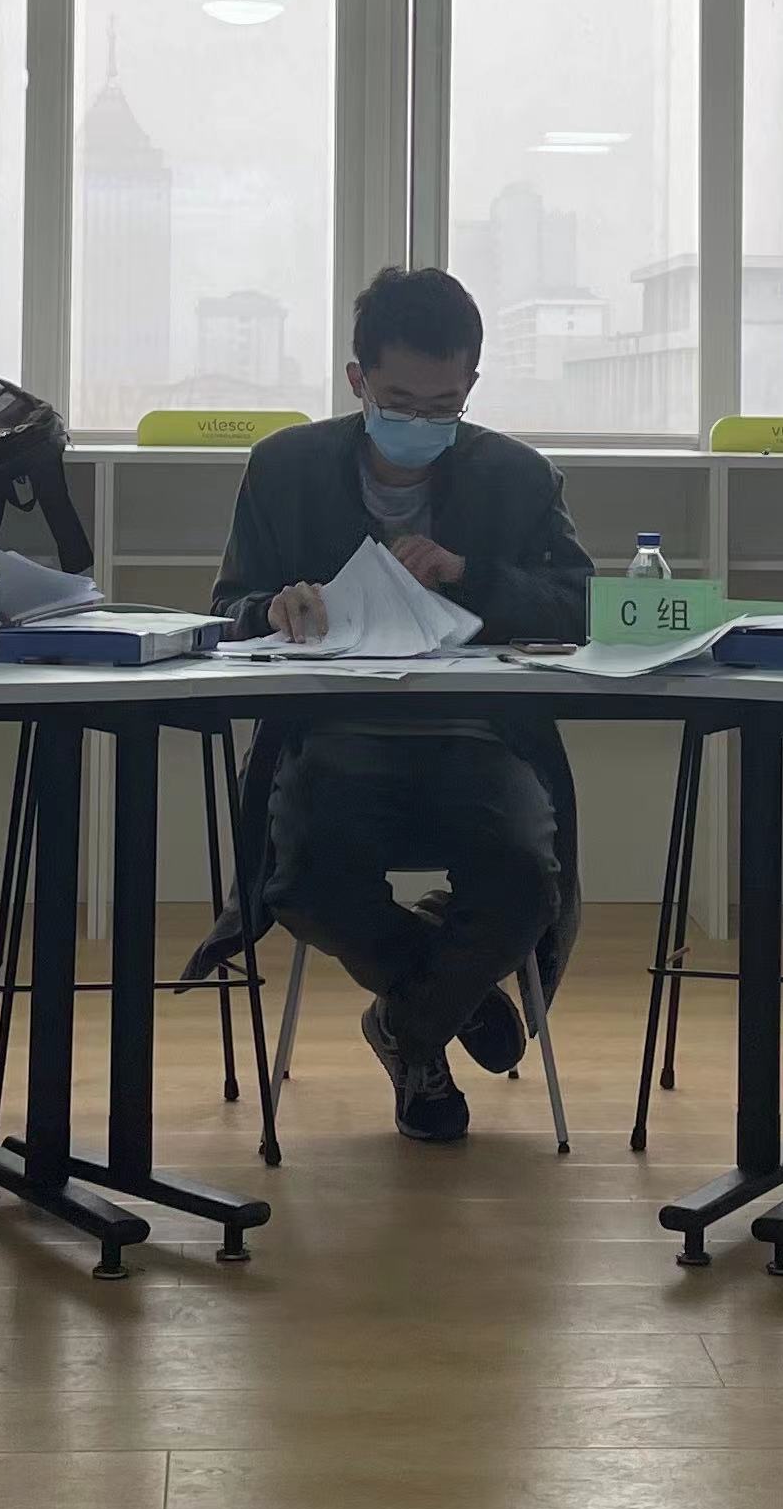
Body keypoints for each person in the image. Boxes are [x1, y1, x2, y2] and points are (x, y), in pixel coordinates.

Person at [204, 267, 592, 1144]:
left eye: (443, 406)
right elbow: (226, 608)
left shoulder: (517, 476)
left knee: (525, 879)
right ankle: (450, 996)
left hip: (479, 738)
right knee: (300, 878)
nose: (421, 423)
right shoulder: (287, 467)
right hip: (333, 736)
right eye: (400, 402)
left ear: (472, 386)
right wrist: (270, 609)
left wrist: (472, 577)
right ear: (357, 380)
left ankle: (408, 1025)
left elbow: (581, 608)